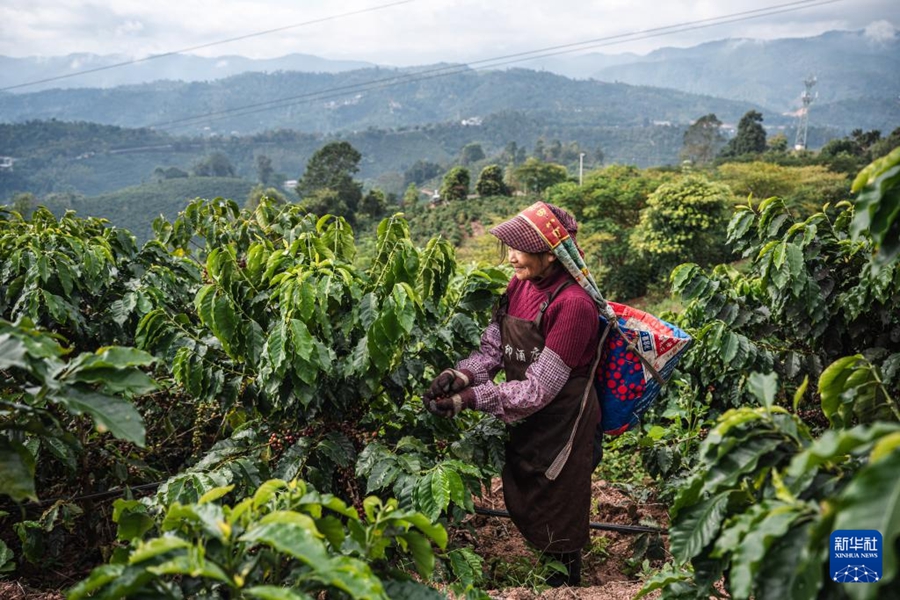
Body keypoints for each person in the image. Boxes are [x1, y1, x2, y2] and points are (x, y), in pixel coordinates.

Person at [424, 202, 601, 587]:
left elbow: (540, 388)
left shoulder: (574, 305)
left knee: (560, 509)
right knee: (532, 495)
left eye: (519, 250)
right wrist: (460, 375)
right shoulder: (519, 284)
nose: (511, 259)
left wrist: (470, 399)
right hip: (527, 413)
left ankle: (564, 588)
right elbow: (494, 348)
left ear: (550, 253)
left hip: (562, 419)